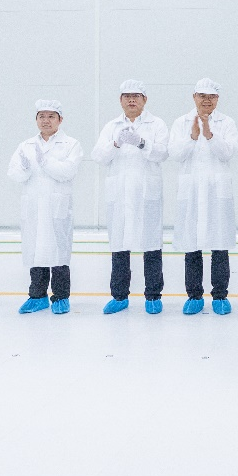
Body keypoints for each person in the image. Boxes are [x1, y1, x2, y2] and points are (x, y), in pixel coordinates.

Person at [92, 80, 169, 315]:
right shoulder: (111, 126)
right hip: (120, 195)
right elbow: (98, 156)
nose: (131, 100)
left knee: (151, 245)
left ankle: (153, 296)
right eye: (127, 96)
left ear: (145, 99)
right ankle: (119, 296)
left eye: (136, 95)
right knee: (119, 245)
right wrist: (116, 143)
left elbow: (163, 153)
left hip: (147, 194)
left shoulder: (157, 124)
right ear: (120, 100)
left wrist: (142, 143)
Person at [168, 78, 238, 315]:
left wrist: (209, 134)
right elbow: (175, 154)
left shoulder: (227, 123)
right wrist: (192, 136)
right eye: (202, 96)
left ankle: (220, 296)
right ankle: (194, 295)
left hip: (217, 193)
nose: (206, 100)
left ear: (217, 99)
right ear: (194, 97)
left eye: (211, 97)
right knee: (191, 245)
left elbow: (228, 153)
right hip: (191, 192)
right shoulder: (181, 122)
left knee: (220, 245)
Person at [9, 100, 83, 315]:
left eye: (51, 116)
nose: (46, 120)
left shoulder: (71, 144)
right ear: (36, 119)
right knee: (36, 251)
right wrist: (24, 169)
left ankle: (61, 297)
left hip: (57, 207)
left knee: (59, 252)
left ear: (60, 120)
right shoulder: (26, 145)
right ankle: (37, 296)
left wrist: (45, 163)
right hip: (34, 206)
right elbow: (14, 173)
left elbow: (68, 172)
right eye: (42, 116)